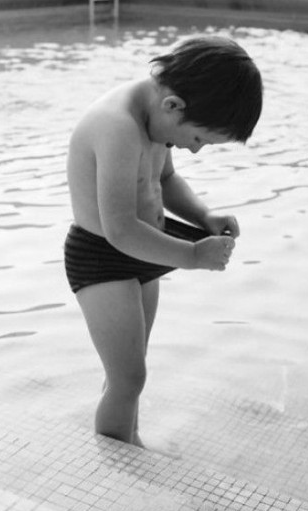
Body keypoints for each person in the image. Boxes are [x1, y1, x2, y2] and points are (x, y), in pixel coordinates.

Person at [64, 35, 263, 447]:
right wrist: (191, 255)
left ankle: (127, 440)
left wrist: (203, 216)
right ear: (173, 106)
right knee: (129, 377)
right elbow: (117, 227)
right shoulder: (116, 125)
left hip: (145, 248)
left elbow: (165, 180)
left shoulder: (156, 116)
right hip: (103, 257)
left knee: (130, 370)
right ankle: (115, 456)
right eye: (199, 140)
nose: (194, 150)